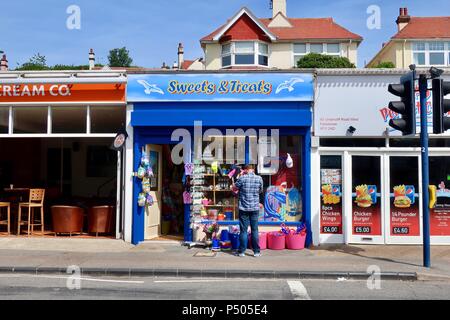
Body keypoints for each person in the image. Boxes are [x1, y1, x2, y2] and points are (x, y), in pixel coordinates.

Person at [232, 164, 264, 257]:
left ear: (245, 170)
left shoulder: (242, 178)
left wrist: (239, 178)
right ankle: (257, 252)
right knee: (254, 230)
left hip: (244, 208)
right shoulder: (259, 178)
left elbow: (234, 188)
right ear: (252, 169)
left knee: (243, 230)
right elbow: (260, 191)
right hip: (254, 207)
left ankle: (242, 251)